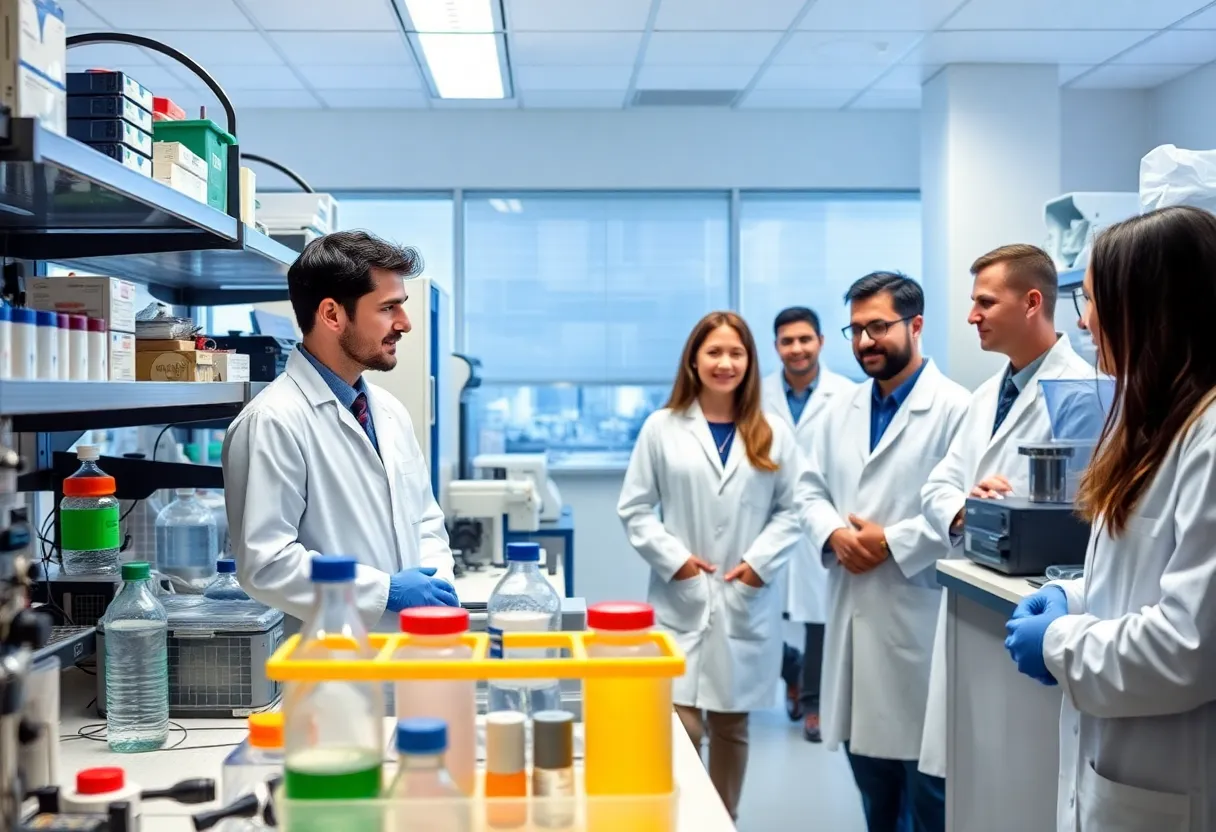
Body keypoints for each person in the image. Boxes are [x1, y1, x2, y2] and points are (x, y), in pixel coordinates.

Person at [1005, 204, 1216, 832]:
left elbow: (1191, 647)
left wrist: (1061, 644)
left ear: (1150, 306)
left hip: (1176, 778)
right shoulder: (1160, 422)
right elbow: (1147, 570)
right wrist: (1072, 596)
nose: (1085, 321)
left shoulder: (1209, 439)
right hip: (1125, 773)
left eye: (1094, 300)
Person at [796, 272, 969, 832]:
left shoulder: (956, 409)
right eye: (857, 329)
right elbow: (808, 488)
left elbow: (967, 511)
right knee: (872, 789)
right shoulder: (840, 407)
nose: (866, 341)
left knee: (928, 795)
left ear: (915, 325)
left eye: (879, 327)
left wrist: (891, 541)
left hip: (918, 615)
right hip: (854, 609)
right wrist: (833, 533)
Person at [917, 244, 1095, 781]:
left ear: (1032, 302)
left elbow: (1085, 513)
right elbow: (937, 487)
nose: (972, 316)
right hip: (976, 597)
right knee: (970, 780)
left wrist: (1011, 508)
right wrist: (968, 510)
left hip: (1030, 610)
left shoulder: (1084, 393)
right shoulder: (986, 394)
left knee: (1017, 780)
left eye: (985, 303)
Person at [618, 310, 803, 821]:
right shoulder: (663, 427)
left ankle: (723, 820)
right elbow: (634, 508)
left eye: (736, 353)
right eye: (714, 352)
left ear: (749, 361)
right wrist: (675, 561)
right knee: (684, 724)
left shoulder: (771, 430)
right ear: (694, 360)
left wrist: (757, 563)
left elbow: (793, 510)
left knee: (731, 726)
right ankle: (683, 819)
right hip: (684, 593)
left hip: (743, 592)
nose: (725, 363)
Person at [223, 231, 459, 630]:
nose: (405, 323)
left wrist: (437, 588)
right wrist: (383, 591)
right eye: (388, 308)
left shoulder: (389, 412)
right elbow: (267, 565)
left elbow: (425, 521)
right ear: (332, 315)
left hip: (409, 650)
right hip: (332, 663)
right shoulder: (272, 421)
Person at [761, 305, 856, 743]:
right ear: (777, 346)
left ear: (820, 341)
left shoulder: (846, 395)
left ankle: (815, 702)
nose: (796, 349)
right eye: (787, 341)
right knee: (754, 606)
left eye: (804, 339)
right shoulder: (758, 396)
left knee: (820, 610)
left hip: (823, 511)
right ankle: (791, 669)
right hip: (771, 512)